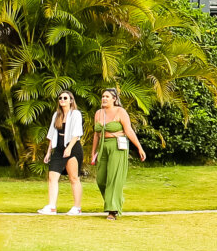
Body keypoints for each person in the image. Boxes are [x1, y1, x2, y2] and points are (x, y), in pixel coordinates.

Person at [93, 87, 146, 219]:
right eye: (103, 96)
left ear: (114, 99)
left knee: (113, 177)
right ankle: (116, 199)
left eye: (107, 96)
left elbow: (129, 131)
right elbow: (96, 134)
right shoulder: (98, 113)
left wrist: (139, 147)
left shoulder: (120, 111)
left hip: (117, 146)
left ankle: (112, 210)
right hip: (103, 146)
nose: (104, 98)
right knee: (101, 179)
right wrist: (93, 152)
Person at [40, 90, 85, 214]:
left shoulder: (75, 114)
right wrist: (49, 152)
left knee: (74, 178)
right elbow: (52, 135)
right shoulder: (57, 115)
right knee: (52, 177)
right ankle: (52, 206)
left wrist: (69, 148)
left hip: (72, 147)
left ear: (71, 100)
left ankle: (77, 207)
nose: (62, 100)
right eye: (60, 98)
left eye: (65, 98)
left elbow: (76, 134)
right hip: (59, 148)